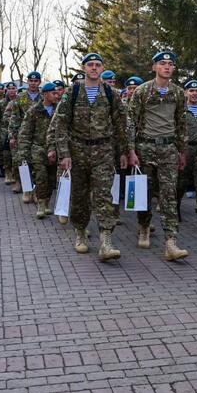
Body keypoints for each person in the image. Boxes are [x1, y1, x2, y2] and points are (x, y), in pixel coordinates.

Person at [48, 53, 130, 261]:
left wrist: (124, 151)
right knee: (80, 197)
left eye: (97, 65)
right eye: (90, 65)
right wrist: (64, 154)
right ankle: (80, 232)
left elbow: (121, 123)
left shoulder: (111, 93)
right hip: (77, 152)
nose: (94, 68)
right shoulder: (72, 92)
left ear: (102, 69)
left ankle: (106, 241)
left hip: (103, 151)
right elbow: (61, 125)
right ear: (84, 68)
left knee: (104, 196)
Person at [127, 51, 190, 261]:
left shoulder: (178, 93)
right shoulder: (142, 91)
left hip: (168, 149)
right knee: (144, 192)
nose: (167, 67)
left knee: (169, 195)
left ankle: (170, 242)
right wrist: (131, 150)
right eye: (162, 63)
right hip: (145, 147)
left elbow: (181, 123)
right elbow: (130, 121)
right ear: (154, 67)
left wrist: (181, 150)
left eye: (170, 64)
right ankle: (144, 226)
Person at [18, 82, 61, 218]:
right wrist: (24, 153)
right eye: (53, 93)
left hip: (55, 150)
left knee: (51, 179)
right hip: (38, 149)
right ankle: (41, 204)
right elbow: (25, 133)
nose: (56, 95)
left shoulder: (59, 110)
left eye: (57, 93)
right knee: (41, 177)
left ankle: (47, 201)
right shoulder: (34, 111)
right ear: (44, 95)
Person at [8, 71, 42, 200]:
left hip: (39, 135)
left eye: (36, 81)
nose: (33, 83)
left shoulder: (43, 97)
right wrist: (12, 136)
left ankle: (36, 191)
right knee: (24, 162)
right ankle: (27, 190)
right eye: (31, 81)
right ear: (27, 81)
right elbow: (14, 118)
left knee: (38, 164)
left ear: (39, 82)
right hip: (24, 135)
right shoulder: (20, 98)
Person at [177, 79, 197, 226]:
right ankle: (176, 208)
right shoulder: (180, 111)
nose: (194, 94)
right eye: (191, 91)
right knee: (181, 182)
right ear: (185, 92)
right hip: (185, 150)